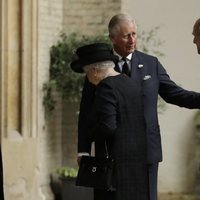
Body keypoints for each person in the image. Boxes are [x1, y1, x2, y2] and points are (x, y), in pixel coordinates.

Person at [76, 13, 200, 200]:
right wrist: (83, 149)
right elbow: (86, 111)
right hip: (112, 153)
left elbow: (175, 94)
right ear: (112, 38)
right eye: (126, 35)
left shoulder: (151, 64)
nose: (132, 40)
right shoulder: (99, 67)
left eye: (134, 34)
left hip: (147, 151)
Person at [71, 42, 149, 200]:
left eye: (87, 73)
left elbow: (108, 127)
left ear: (94, 70)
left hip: (114, 165)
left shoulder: (106, 87)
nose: (89, 78)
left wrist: (91, 134)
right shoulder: (131, 83)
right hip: (137, 162)